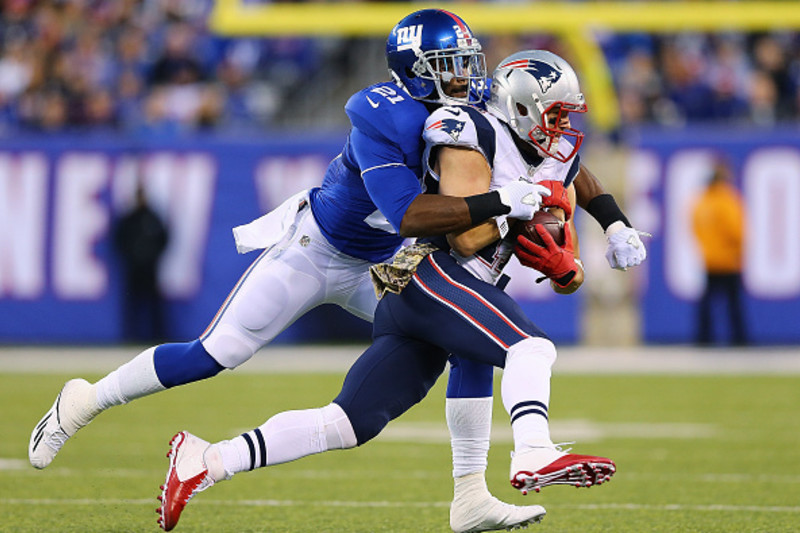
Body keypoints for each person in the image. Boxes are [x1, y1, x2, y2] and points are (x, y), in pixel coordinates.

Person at [29, 10, 554, 533]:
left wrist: (597, 217)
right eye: (450, 65)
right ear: (416, 69)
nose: (465, 77)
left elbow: (552, 163)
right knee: (217, 353)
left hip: (383, 265)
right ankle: (87, 399)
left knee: (466, 338)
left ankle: (470, 495)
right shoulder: (382, 113)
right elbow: (407, 215)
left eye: (467, 63)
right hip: (317, 250)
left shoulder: (470, 115)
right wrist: (501, 201)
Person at [156, 50, 647, 532]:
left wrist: (602, 235)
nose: (562, 127)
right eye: (555, 114)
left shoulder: (551, 149)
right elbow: (467, 236)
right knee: (531, 348)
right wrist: (516, 217)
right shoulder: (472, 131)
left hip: (446, 292)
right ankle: (534, 449)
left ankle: (207, 460)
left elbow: (573, 186)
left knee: (348, 423)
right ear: (521, 106)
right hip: (430, 273)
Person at [691, 160, 748, 345]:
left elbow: (695, 227)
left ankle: (703, 339)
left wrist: (707, 247)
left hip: (710, 259)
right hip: (729, 259)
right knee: (734, 304)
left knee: (707, 304)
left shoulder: (702, 201)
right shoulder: (726, 199)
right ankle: (739, 341)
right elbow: (736, 230)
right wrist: (738, 249)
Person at [113, 184, 170, 343]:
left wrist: (152, 256)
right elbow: (118, 241)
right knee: (133, 305)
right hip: (133, 270)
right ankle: (131, 337)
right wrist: (132, 257)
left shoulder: (152, 217)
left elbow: (164, 239)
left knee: (154, 306)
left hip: (150, 269)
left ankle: (159, 337)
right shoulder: (129, 219)